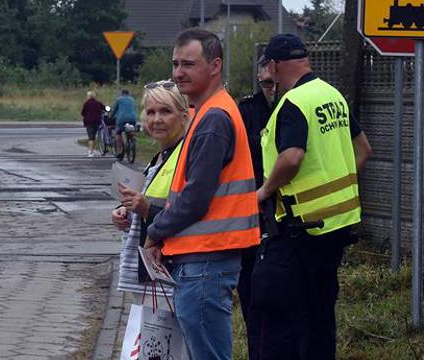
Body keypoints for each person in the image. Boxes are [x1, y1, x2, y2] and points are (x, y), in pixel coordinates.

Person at [141, 28, 260, 360]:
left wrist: (156, 231)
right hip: (204, 256)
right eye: (176, 63)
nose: (179, 72)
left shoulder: (213, 119)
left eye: (189, 64)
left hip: (206, 258)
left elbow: (196, 198)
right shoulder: (206, 112)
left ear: (215, 66)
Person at [252, 33, 372, 360]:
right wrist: (336, 185)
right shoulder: (332, 95)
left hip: (301, 229)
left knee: (282, 316)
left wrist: (264, 191)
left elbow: (291, 157)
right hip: (338, 224)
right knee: (321, 315)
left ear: (275, 66)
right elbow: (363, 150)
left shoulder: (294, 103)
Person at [114, 80, 188, 298]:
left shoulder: (185, 155)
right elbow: (153, 199)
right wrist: (124, 211)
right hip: (152, 275)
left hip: (170, 273)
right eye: (151, 112)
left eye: (166, 111)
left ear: (184, 116)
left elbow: (189, 212)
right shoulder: (159, 157)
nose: (157, 119)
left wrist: (146, 209)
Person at [235, 61, 277, 358]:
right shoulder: (247, 109)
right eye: (266, 84)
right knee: (251, 289)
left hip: (286, 212)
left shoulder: (294, 106)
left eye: (275, 84)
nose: (271, 91)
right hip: (252, 208)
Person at [111, 89, 137, 160]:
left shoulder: (119, 99)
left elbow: (114, 110)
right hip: (132, 119)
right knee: (131, 131)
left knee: (118, 133)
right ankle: (132, 138)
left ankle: (120, 151)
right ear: (128, 93)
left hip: (122, 119)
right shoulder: (132, 99)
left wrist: (111, 116)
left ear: (121, 93)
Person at [81, 91, 105, 157]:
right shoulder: (98, 103)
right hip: (97, 121)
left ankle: (90, 152)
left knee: (91, 137)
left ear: (88, 96)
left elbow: (83, 113)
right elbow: (105, 108)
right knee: (94, 136)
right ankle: (93, 150)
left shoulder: (86, 103)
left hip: (88, 122)